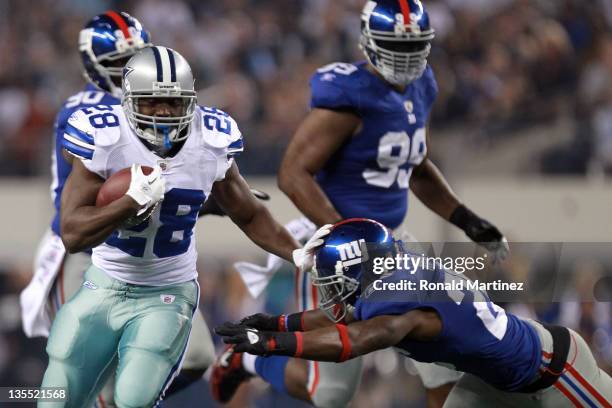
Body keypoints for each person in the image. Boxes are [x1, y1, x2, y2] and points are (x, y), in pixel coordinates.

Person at [212, 1, 508, 407]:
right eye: (394, 47)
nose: (405, 59)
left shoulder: (423, 86)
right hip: (339, 247)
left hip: (394, 242)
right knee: (332, 392)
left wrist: (465, 218)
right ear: (368, 42)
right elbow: (292, 174)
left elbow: (416, 166)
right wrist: (348, 238)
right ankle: (246, 363)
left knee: (446, 358)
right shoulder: (348, 98)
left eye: (412, 47)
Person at [37, 45, 310, 408]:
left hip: (167, 291)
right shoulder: (105, 137)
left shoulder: (210, 139)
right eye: (152, 102)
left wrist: (297, 251)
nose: (164, 112)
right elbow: (72, 233)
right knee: (57, 395)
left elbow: (249, 214)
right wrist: (127, 205)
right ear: (129, 100)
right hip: (104, 282)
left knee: (133, 398)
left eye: (174, 103)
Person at [19, 12, 225, 407]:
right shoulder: (88, 115)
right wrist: (130, 205)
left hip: (149, 261)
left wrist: (209, 199)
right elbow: (89, 206)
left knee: (196, 356)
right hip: (91, 252)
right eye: (116, 64)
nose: (126, 71)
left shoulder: (156, 105)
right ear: (93, 65)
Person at [217, 219, 612, 408]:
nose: (330, 294)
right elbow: (346, 320)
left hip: (554, 371)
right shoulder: (395, 270)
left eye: (335, 282)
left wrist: (272, 343)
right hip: (493, 383)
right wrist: (275, 324)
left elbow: (356, 339)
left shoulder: (402, 298)